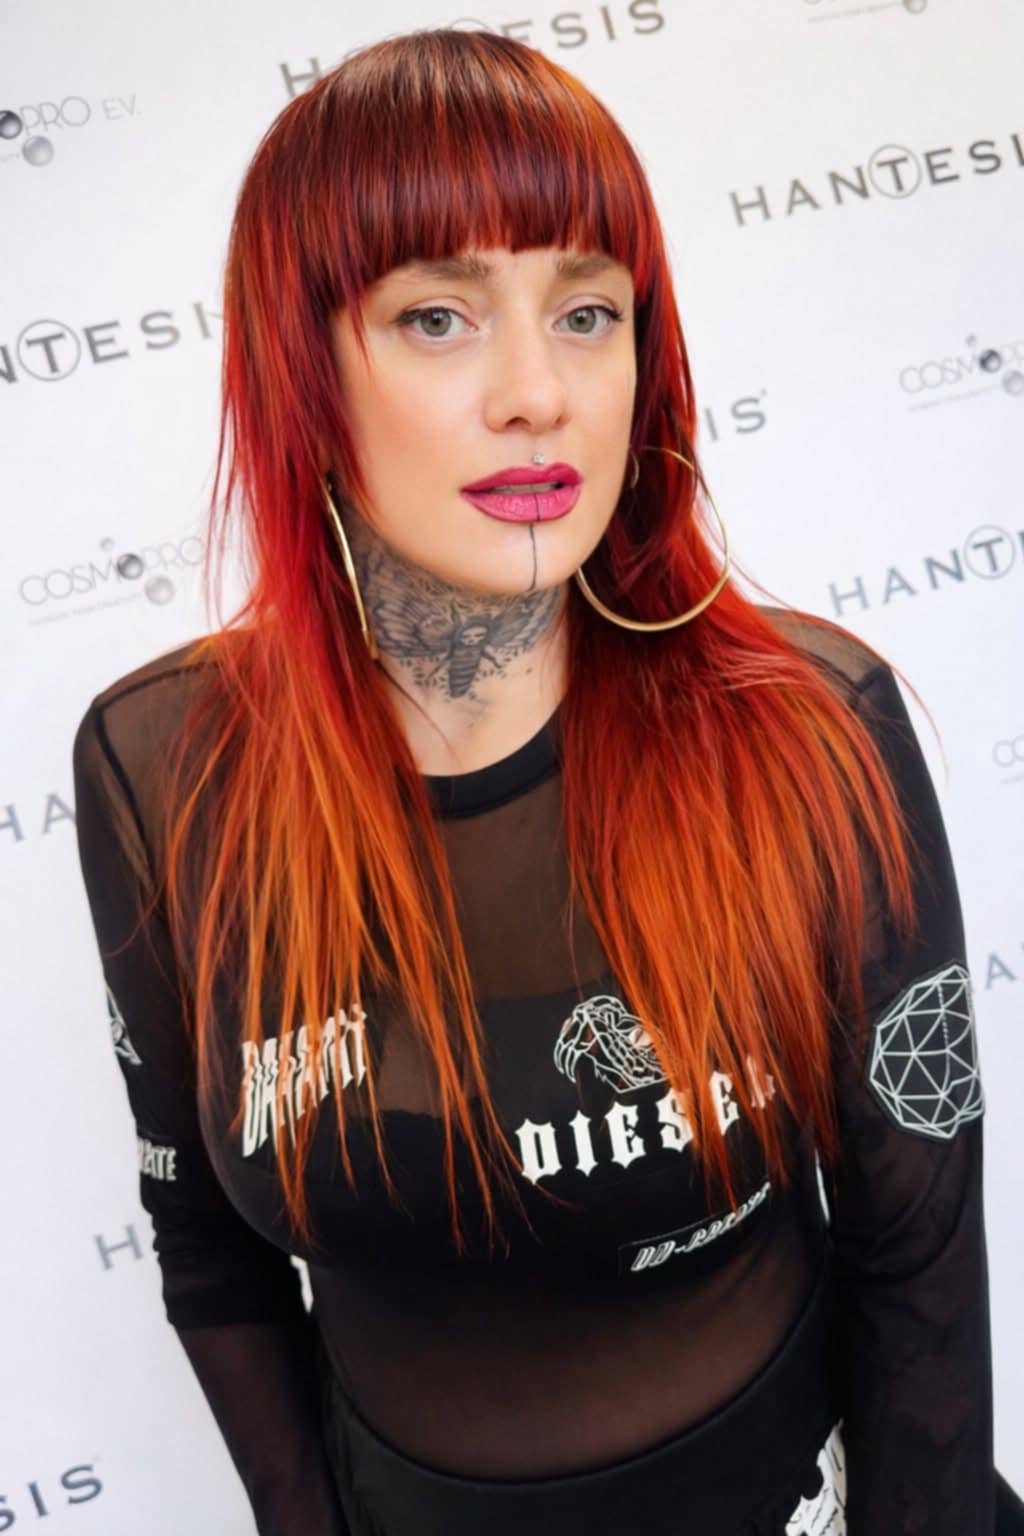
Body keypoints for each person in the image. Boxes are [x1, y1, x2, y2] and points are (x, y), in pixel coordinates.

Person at [70, 27, 1023, 1536]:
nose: (537, 391)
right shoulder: (159, 763)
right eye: (437, 317)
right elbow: (209, 1249)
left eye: (587, 311)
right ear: (303, 367)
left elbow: (920, 1254)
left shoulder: (807, 725)